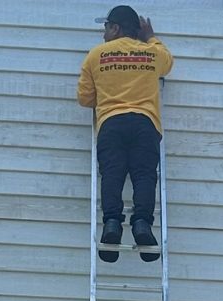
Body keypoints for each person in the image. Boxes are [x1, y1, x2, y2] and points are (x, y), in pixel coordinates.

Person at [77, 5, 173, 263]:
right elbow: (168, 63)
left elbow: (85, 98)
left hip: (111, 124)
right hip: (145, 123)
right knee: (144, 175)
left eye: (106, 27)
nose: (103, 33)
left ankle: (111, 224)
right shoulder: (152, 54)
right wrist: (150, 37)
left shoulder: (96, 55)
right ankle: (142, 223)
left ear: (116, 28)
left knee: (112, 174)